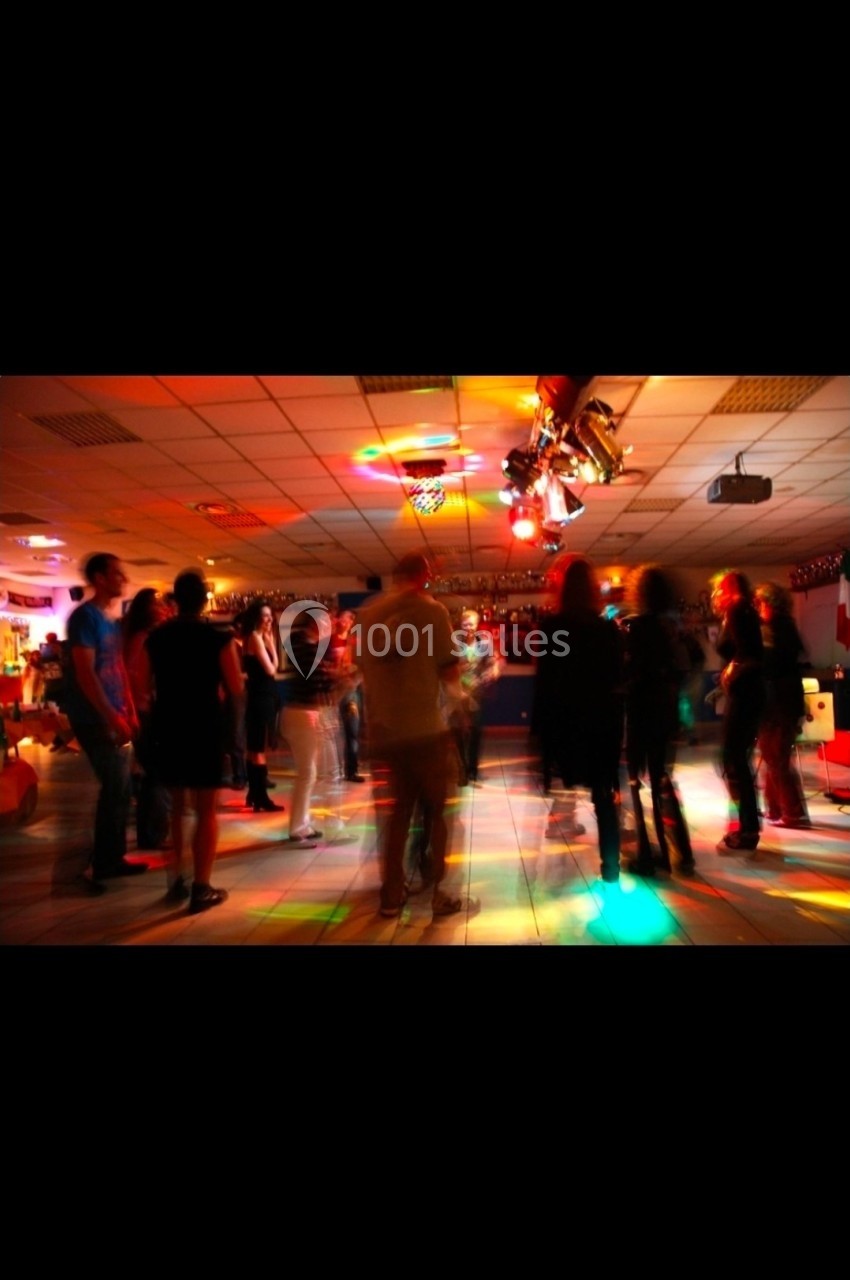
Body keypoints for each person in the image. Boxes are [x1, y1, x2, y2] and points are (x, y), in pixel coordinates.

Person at [357, 552, 473, 918]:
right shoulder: (432, 610)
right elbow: (449, 672)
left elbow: (363, 668)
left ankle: (392, 894)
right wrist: (461, 709)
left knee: (396, 817)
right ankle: (441, 892)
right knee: (439, 813)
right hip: (425, 731)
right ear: (423, 575)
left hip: (383, 734)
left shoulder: (368, 614)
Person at [142, 570, 243, 913]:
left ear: (175, 599)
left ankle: (177, 880)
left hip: (168, 724)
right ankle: (202, 887)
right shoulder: (218, 638)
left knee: (177, 808)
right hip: (204, 726)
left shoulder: (155, 639)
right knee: (205, 810)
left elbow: (142, 686)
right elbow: (236, 687)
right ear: (204, 600)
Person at [532, 554, 623, 885]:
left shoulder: (553, 628)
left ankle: (552, 867)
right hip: (601, 721)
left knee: (563, 785)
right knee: (604, 797)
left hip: (567, 720)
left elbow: (545, 682)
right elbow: (617, 678)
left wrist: (539, 733)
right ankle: (610, 867)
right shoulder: (606, 629)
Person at [63, 552, 144, 889]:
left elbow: (118, 669)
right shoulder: (84, 618)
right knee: (114, 785)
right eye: (116, 573)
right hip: (93, 716)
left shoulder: (109, 621)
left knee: (121, 788)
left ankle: (111, 859)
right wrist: (110, 715)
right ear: (98, 578)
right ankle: (97, 865)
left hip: (113, 714)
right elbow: (86, 674)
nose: (123, 579)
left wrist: (129, 709)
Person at [621, 565, 695, 876]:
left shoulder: (632, 627)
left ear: (638, 592)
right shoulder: (674, 627)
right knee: (663, 779)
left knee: (635, 783)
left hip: (640, 710)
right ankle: (681, 853)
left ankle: (648, 854)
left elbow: (624, 671)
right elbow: (690, 665)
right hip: (666, 711)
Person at [711, 570, 765, 851]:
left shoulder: (738, 611)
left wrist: (733, 669)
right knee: (734, 760)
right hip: (745, 693)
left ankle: (747, 829)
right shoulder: (742, 612)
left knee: (733, 759)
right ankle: (746, 826)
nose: (717, 592)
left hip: (745, 695)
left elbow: (751, 655)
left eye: (722, 587)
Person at [279, 610, 339, 846]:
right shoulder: (307, 648)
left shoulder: (305, 646)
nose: (331, 626)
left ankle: (302, 823)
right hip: (302, 714)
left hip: (301, 713)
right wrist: (338, 677)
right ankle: (298, 827)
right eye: (328, 621)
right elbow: (318, 682)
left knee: (309, 773)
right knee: (307, 773)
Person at [754, 581, 811, 829]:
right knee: (772, 755)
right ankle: (775, 809)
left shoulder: (777, 628)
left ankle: (793, 812)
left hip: (780, 703)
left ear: (770, 604)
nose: (757, 608)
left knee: (776, 757)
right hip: (780, 702)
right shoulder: (782, 627)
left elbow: (773, 663)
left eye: (760, 603)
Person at [123, 587, 170, 851]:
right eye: (158, 603)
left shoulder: (141, 637)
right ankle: (151, 835)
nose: (163, 608)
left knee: (153, 773)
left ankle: (152, 832)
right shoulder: (143, 639)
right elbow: (136, 680)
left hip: (143, 712)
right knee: (156, 773)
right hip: (145, 713)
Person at [239, 600, 283, 812]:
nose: (269, 619)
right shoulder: (256, 638)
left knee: (254, 748)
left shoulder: (252, 638)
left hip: (259, 696)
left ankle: (254, 795)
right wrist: (272, 643)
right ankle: (261, 797)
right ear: (256, 617)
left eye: (270, 616)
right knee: (258, 749)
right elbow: (271, 669)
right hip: (261, 698)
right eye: (265, 616)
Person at [452, 608, 501, 785]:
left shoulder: (484, 642)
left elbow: (492, 662)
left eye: (471, 624)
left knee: (476, 732)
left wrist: (492, 671)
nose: (468, 627)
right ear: (460, 625)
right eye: (465, 624)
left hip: (476, 692)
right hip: (457, 694)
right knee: (459, 733)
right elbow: (447, 667)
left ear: (477, 624)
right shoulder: (455, 644)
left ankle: (473, 770)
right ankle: (462, 770)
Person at [330, 610, 364, 782]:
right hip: (332, 692)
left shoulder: (355, 643)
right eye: (342, 617)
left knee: (352, 731)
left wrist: (355, 680)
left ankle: (352, 771)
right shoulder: (328, 641)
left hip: (350, 691)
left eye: (348, 618)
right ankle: (334, 770)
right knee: (333, 734)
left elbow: (363, 668)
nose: (344, 621)